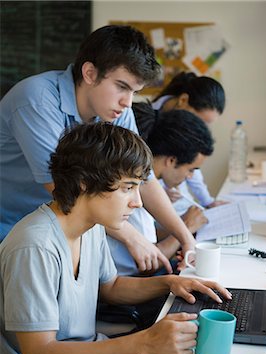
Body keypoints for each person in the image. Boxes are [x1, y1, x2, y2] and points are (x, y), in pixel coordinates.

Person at [0, 122, 231, 354]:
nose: (137, 202)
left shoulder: (91, 225)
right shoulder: (34, 246)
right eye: (127, 188)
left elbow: (111, 288)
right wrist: (145, 342)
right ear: (83, 182)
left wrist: (170, 283)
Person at [0, 24, 196, 274]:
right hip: (16, 229)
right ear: (90, 73)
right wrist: (134, 239)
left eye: (135, 92)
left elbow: (142, 177)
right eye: (122, 87)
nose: (127, 102)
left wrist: (185, 237)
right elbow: (64, 190)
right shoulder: (36, 101)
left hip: (67, 223)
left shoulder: (116, 111)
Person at [108, 104, 213, 276]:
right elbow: (150, 264)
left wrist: (180, 227)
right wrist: (186, 227)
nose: (190, 177)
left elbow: (148, 236)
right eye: (191, 169)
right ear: (171, 160)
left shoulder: (151, 188)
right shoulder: (135, 192)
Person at [149, 72, 227, 213]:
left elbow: (190, 164)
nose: (200, 127)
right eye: (200, 120)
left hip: (176, 206)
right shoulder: (145, 121)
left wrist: (208, 202)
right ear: (183, 100)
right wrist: (155, 192)